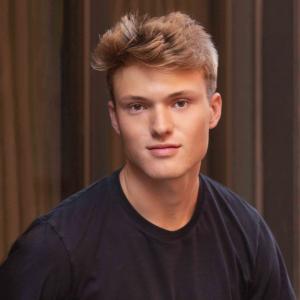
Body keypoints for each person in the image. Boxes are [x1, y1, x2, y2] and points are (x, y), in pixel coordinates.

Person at [0, 12, 296, 300]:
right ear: (115, 117)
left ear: (213, 110)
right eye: (137, 107)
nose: (161, 127)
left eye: (180, 103)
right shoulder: (54, 248)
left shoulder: (246, 233)